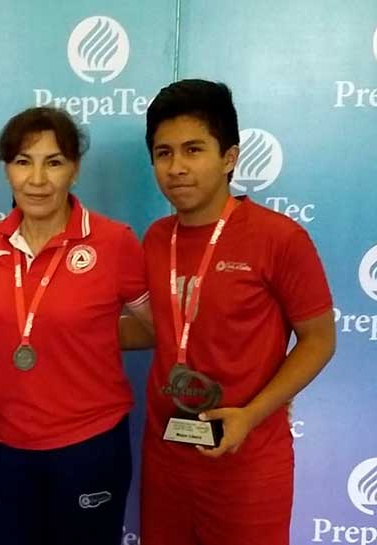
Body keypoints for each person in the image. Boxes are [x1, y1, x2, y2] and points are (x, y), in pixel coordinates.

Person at [138, 79, 335, 545]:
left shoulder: (279, 238)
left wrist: (252, 414)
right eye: (164, 153)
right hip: (166, 456)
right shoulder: (155, 238)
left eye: (193, 150)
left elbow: (320, 340)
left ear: (229, 157)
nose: (177, 167)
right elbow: (158, 327)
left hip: (248, 461)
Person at [0, 106, 152, 544]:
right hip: (4, 442)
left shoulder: (113, 241)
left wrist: (87, 336)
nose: (37, 179)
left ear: (75, 169)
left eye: (53, 162)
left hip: (88, 444)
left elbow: (159, 329)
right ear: (6, 169)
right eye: (23, 162)